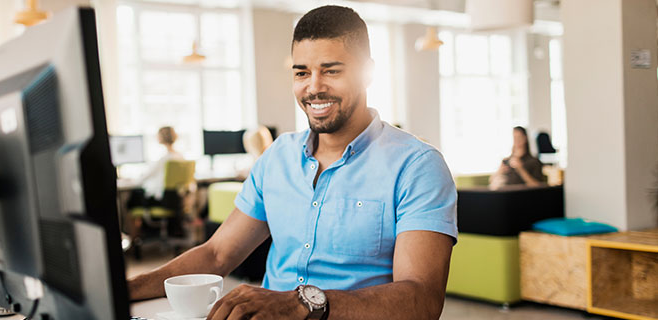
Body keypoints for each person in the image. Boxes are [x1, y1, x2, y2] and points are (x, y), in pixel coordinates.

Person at [127, 5, 457, 320]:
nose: (314, 87)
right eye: (302, 72)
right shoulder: (278, 157)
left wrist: (301, 306)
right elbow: (217, 255)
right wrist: (123, 288)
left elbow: (422, 301)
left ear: (367, 72)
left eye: (332, 70)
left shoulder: (417, 166)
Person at [128, 126, 185, 208]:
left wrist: (133, 182)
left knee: (133, 198)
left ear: (161, 137)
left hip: (162, 200)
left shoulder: (165, 159)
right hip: (176, 199)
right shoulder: (180, 156)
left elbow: (145, 177)